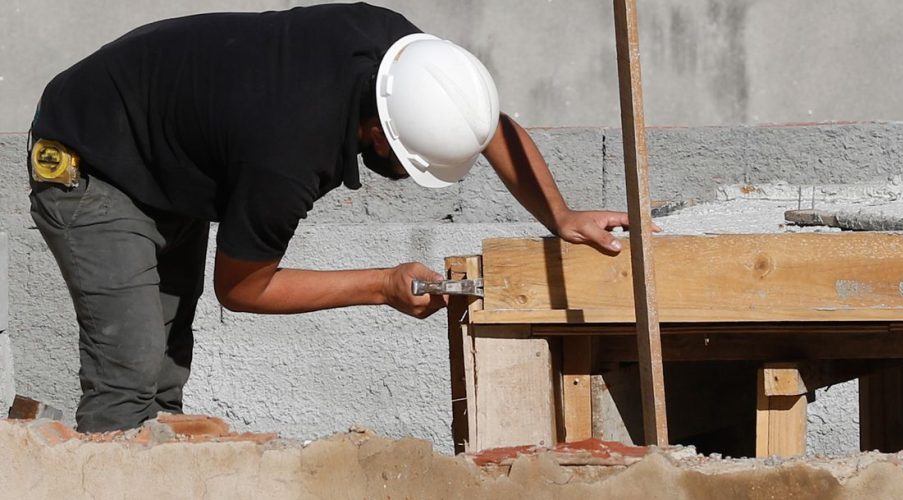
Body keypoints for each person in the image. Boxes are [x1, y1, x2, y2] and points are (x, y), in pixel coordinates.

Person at [28, 3, 638, 433]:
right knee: (131, 375)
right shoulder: (288, 155)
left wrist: (561, 215)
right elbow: (242, 288)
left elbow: (485, 125)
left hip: (169, 146)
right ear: (376, 130)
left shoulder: (403, 58)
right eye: (408, 163)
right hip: (91, 159)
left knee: (162, 376)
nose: (408, 176)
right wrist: (380, 285)